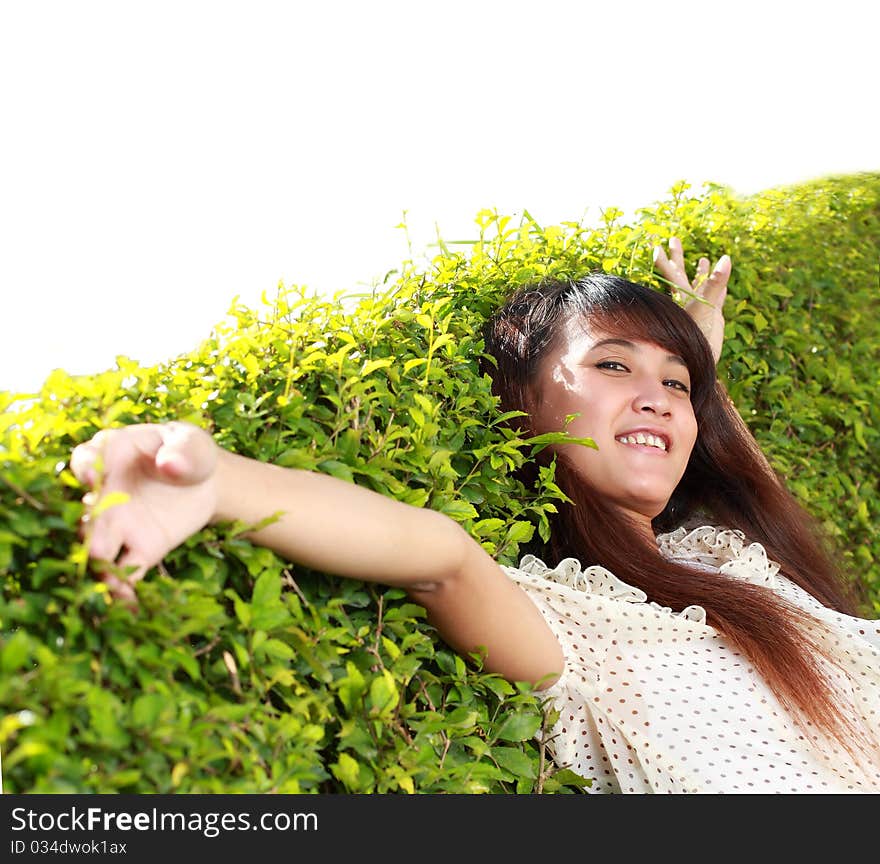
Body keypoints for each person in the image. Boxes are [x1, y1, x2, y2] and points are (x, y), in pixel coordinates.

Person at [69, 239, 880, 794]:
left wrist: (704, 363)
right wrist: (217, 486)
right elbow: (440, 556)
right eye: (611, 364)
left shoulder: (726, 557)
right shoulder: (576, 628)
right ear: (522, 410)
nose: (658, 400)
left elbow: (753, 479)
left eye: (677, 386)